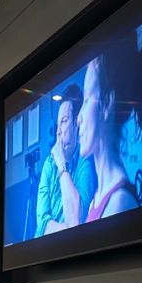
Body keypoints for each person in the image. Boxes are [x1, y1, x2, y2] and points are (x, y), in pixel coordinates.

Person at [78, 31, 142, 222]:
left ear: (106, 104)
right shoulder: (97, 199)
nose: (78, 118)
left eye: (87, 99)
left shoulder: (119, 204)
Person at [35, 84, 96, 237]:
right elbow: (42, 222)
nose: (58, 131)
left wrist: (62, 165)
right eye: (58, 123)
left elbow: (76, 221)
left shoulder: (85, 165)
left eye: (64, 121)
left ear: (77, 123)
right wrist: (66, 229)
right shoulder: (48, 164)